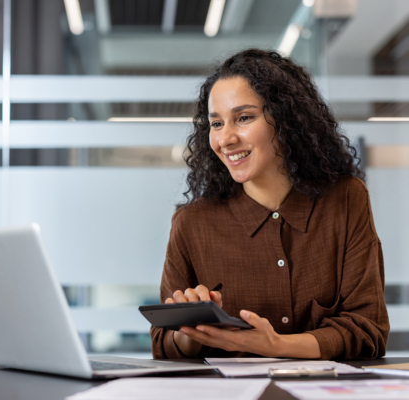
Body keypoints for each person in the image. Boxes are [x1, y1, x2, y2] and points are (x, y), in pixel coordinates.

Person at [150, 49, 390, 361]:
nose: (225, 139)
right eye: (217, 123)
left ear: (286, 118)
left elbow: (367, 329)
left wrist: (274, 346)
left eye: (244, 118)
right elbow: (162, 343)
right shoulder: (191, 223)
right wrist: (189, 332)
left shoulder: (345, 200)